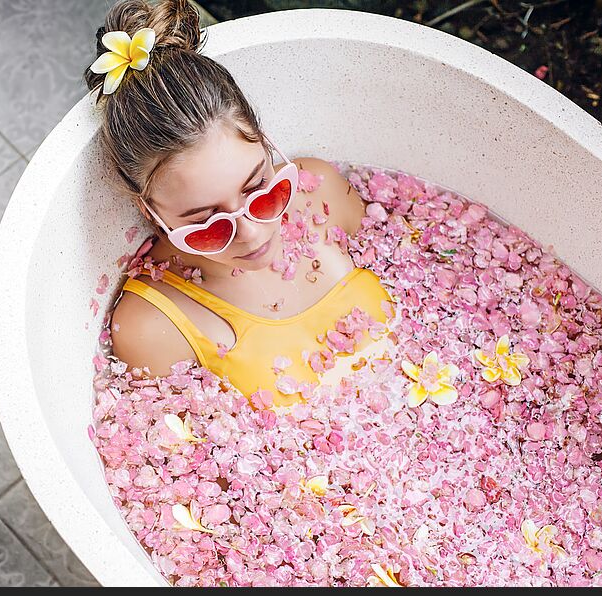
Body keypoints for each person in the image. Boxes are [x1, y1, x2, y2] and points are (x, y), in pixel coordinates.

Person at [84, 0, 397, 408]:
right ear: (152, 214)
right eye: (209, 224)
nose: (252, 232)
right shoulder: (153, 324)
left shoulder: (318, 192)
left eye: (263, 191)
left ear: (267, 146)